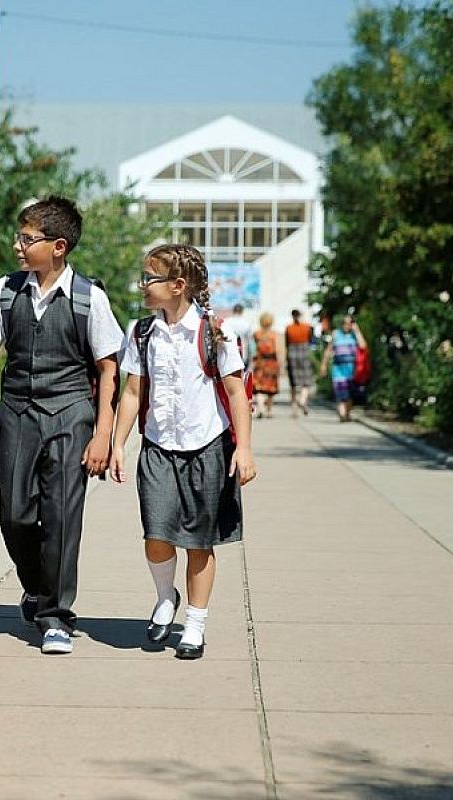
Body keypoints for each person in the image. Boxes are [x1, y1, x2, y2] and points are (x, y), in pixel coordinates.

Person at [0, 196, 122, 656]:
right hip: (17, 413)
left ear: (59, 246)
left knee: (64, 517)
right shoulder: (6, 291)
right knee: (14, 512)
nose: (18, 246)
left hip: (71, 414)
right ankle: (36, 586)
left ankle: (55, 617)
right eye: (20, 236)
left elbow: (109, 368)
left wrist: (103, 432)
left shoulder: (89, 298)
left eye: (28, 239)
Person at [110, 243, 257, 660]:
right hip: (158, 447)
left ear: (177, 286)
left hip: (206, 446)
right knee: (156, 534)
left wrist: (243, 449)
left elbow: (235, 391)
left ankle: (195, 624)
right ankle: (164, 598)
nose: (142, 285)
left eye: (149, 278)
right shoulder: (141, 332)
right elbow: (134, 391)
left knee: (198, 542)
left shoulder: (216, 331)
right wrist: (120, 444)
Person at [319, 314, 367, 422]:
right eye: (345, 323)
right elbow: (328, 350)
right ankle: (342, 414)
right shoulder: (336, 334)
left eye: (349, 323)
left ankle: (347, 414)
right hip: (338, 369)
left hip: (351, 370)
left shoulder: (354, 336)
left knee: (349, 395)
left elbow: (363, 346)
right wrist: (323, 365)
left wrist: (357, 331)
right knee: (340, 393)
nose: (346, 325)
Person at [284, 309, 316, 416]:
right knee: (306, 381)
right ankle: (303, 400)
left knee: (293, 383)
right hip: (304, 354)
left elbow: (286, 344)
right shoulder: (307, 327)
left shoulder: (288, 328)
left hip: (292, 355)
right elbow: (311, 340)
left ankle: (294, 409)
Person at [251, 312, 280, 418]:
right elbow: (276, 349)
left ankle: (261, 407)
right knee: (271, 388)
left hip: (260, 362)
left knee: (258, 387)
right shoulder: (273, 334)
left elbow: (254, 348)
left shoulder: (257, 334)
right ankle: (269, 410)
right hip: (271, 362)